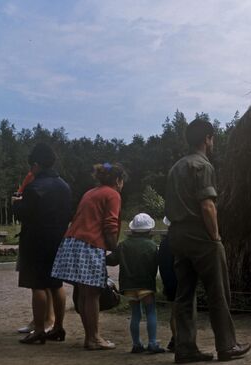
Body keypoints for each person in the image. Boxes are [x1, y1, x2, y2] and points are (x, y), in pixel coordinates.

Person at [165, 118, 250, 363]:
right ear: (207, 139)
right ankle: (227, 345)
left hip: (177, 235)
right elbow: (207, 205)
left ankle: (185, 348)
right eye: (212, 138)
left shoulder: (176, 167)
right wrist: (215, 236)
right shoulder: (202, 166)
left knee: (184, 293)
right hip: (200, 234)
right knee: (218, 292)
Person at [51, 162, 127, 350]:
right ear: (118, 180)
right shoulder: (113, 194)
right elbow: (110, 225)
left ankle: (90, 337)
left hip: (72, 242)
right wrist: (115, 250)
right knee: (93, 294)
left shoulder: (90, 192)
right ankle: (94, 338)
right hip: (90, 245)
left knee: (85, 293)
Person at [12, 143, 72, 344]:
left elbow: (24, 214)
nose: (31, 170)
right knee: (56, 285)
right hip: (58, 240)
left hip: (35, 241)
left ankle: (38, 330)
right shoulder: (65, 186)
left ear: (37, 164)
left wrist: (16, 204)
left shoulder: (34, 187)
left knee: (37, 286)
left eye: (32, 166)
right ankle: (58, 327)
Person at [106, 213, 166, 354]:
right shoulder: (151, 246)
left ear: (132, 230)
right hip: (146, 286)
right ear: (149, 230)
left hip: (128, 287)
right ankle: (152, 343)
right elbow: (157, 265)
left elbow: (111, 260)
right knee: (150, 312)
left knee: (135, 315)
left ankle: (136, 343)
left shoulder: (123, 245)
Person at [158, 216, 178, 352]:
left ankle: (175, 338)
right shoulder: (179, 241)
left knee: (174, 312)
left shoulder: (164, 243)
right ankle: (178, 340)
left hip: (169, 281)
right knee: (180, 312)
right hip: (179, 281)